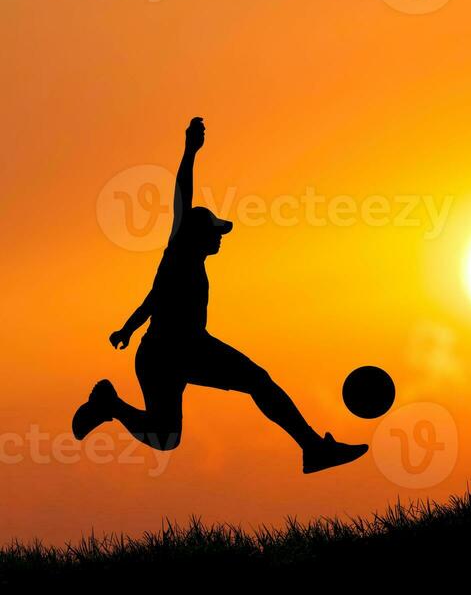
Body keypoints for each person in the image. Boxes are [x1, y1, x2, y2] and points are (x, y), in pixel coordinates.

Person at [72, 118, 368, 474]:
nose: (221, 236)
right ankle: (313, 449)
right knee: (257, 381)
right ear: (196, 235)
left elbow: (154, 298)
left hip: (160, 354)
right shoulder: (180, 250)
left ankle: (112, 406)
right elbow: (182, 198)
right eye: (215, 231)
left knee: (167, 437)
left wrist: (127, 329)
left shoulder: (186, 262)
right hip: (177, 350)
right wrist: (190, 151)